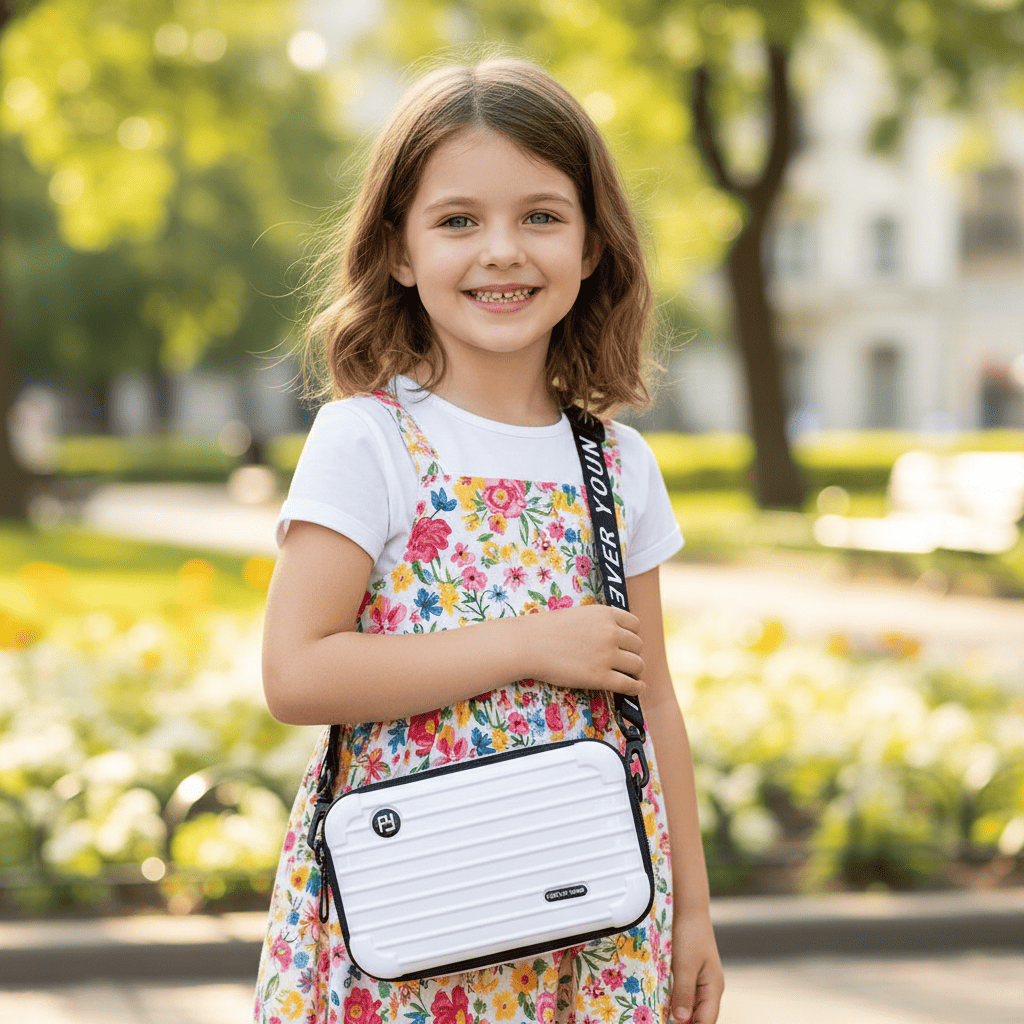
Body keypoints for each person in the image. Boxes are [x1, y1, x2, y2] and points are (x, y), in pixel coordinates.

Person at [254, 55, 724, 1024]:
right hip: (411, 926)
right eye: (458, 221)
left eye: (541, 216)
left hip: (593, 920)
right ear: (399, 249)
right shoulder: (368, 440)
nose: (501, 251)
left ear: (592, 247)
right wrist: (528, 644)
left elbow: (654, 700)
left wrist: (692, 912)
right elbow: (295, 673)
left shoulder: (618, 464)